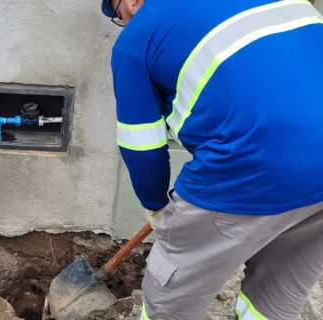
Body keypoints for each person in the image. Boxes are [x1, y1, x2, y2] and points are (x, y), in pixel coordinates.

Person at [101, 0, 323, 319]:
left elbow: (141, 145)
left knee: (169, 296)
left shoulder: (137, 39)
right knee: (278, 293)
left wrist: (155, 206)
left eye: (118, 15)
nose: (124, 23)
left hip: (255, 161)